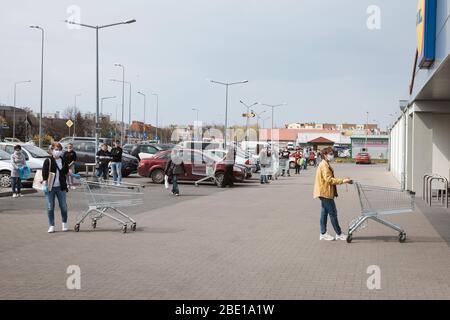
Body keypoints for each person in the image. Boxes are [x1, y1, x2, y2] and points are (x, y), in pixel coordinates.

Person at [313, 147, 352, 241]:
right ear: (325, 155)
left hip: (325, 192)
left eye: (332, 153)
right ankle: (338, 233)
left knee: (324, 213)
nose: (332, 155)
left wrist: (343, 180)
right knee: (333, 213)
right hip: (325, 193)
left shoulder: (325, 164)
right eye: (330, 154)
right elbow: (329, 179)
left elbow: (329, 178)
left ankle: (323, 233)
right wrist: (343, 181)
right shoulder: (324, 165)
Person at [42, 142, 70, 233]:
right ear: (52, 150)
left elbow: (66, 172)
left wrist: (73, 175)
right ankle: (51, 225)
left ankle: (64, 223)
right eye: (56, 149)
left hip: (61, 187)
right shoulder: (48, 161)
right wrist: (45, 183)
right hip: (50, 187)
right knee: (50, 207)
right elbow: (44, 173)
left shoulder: (63, 160)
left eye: (59, 150)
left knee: (63, 206)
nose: (58, 151)